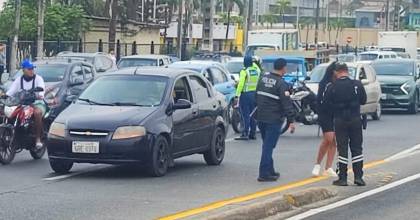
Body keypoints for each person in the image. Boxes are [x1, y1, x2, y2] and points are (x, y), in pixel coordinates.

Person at [324, 62, 367, 186]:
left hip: (340, 120)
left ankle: (342, 178)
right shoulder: (357, 85)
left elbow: (326, 104)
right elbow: (363, 100)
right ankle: (358, 176)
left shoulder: (332, 86)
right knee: (357, 148)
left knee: (342, 148)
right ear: (347, 71)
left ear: (336, 72)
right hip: (355, 119)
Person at [255, 58, 296, 182]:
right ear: (283, 68)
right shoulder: (281, 84)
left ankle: (270, 170)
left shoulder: (262, 79)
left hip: (261, 117)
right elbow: (286, 104)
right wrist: (292, 121)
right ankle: (263, 174)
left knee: (267, 145)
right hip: (273, 119)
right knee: (268, 146)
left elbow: (256, 96)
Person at [6, 59, 46, 149]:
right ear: (23, 70)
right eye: (29, 69)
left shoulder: (38, 78)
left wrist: (40, 95)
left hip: (36, 102)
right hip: (23, 103)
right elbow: (11, 91)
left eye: (32, 68)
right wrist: (5, 96)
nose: (31, 70)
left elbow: (41, 90)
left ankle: (38, 138)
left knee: (37, 113)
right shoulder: (18, 80)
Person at [312, 62, 338, 177]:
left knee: (334, 141)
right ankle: (317, 164)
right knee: (328, 138)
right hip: (325, 114)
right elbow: (320, 100)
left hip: (336, 114)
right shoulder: (324, 83)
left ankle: (328, 167)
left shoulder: (338, 83)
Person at [235, 56, 261, 140]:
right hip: (254, 95)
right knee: (252, 114)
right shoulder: (257, 70)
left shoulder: (244, 71)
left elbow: (241, 84)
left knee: (245, 114)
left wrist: (237, 94)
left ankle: (245, 133)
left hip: (245, 95)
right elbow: (257, 67)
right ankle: (252, 134)